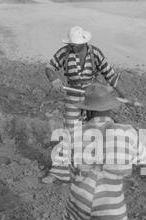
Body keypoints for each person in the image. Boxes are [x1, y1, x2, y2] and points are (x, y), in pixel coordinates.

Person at [38, 84, 146, 220]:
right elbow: (144, 161)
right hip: (111, 203)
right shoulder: (127, 132)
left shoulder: (74, 133)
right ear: (111, 109)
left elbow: (68, 168)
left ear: (86, 111)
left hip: (81, 197)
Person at [42, 26, 127, 184]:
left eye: (75, 45)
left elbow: (110, 74)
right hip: (73, 96)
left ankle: (92, 171)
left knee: (96, 132)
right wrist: (53, 78)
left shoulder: (95, 53)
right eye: (71, 44)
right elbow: (49, 67)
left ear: (84, 43)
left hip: (93, 97)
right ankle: (59, 171)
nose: (72, 47)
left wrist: (124, 95)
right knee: (69, 133)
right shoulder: (64, 52)